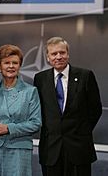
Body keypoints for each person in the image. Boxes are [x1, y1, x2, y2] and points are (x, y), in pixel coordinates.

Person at [34, 36, 102, 176]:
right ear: (48, 57)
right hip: (51, 149)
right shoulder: (40, 79)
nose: (59, 57)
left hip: (79, 148)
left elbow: (95, 109)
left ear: (68, 54)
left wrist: (81, 130)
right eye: (54, 54)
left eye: (62, 52)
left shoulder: (85, 76)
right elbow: (39, 110)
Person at [0, 44, 42, 176]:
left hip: (18, 149)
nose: (11, 66)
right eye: (6, 63)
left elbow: (36, 123)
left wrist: (8, 128)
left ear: (20, 66)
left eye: (15, 63)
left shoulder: (30, 91)